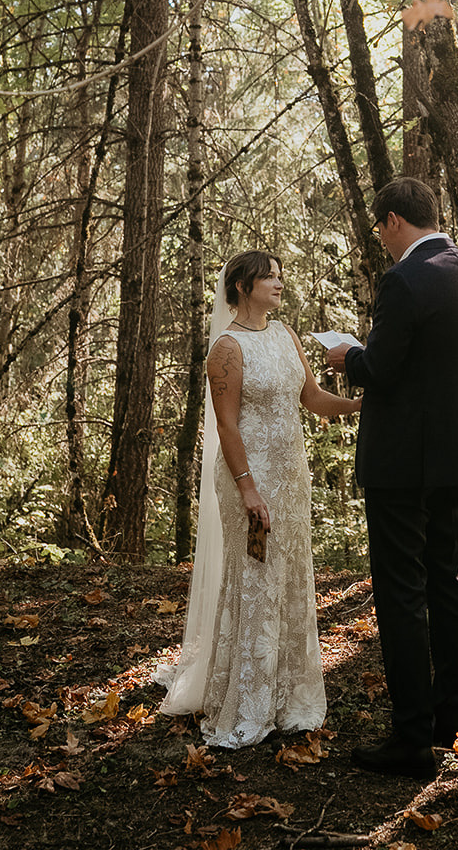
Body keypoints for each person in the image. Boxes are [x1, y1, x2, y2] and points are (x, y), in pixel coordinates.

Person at [327, 177, 458, 780]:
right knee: (447, 583)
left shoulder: (403, 280)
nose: (380, 240)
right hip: (457, 453)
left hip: (402, 460)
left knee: (401, 593)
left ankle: (409, 739)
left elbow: (381, 369)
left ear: (395, 220)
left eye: (380, 228)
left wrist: (346, 355)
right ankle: (454, 719)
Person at [155, 251, 361, 749]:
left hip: (292, 477)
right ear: (243, 285)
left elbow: (311, 399)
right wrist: (247, 488)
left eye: (279, 275)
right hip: (251, 479)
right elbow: (226, 424)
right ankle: (247, 703)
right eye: (269, 276)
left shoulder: (287, 335)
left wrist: (361, 404)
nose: (279, 282)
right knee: (255, 577)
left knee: (288, 577)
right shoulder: (226, 349)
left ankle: (291, 699)